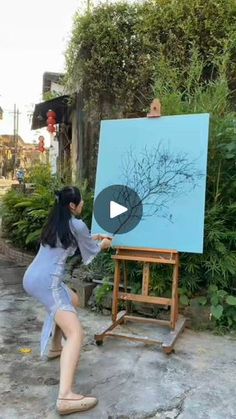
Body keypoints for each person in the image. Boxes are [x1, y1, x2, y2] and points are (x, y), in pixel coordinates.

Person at [23, 186, 111, 415]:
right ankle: (65, 396)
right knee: (76, 334)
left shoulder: (57, 222)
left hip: (33, 277)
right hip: (48, 283)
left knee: (72, 300)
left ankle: (54, 348)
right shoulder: (77, 224)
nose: (83, 204)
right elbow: (90, 254)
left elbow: (75, 241)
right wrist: (102, 244)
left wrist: (92, 239)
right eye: (81, 202)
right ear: (73, 205)